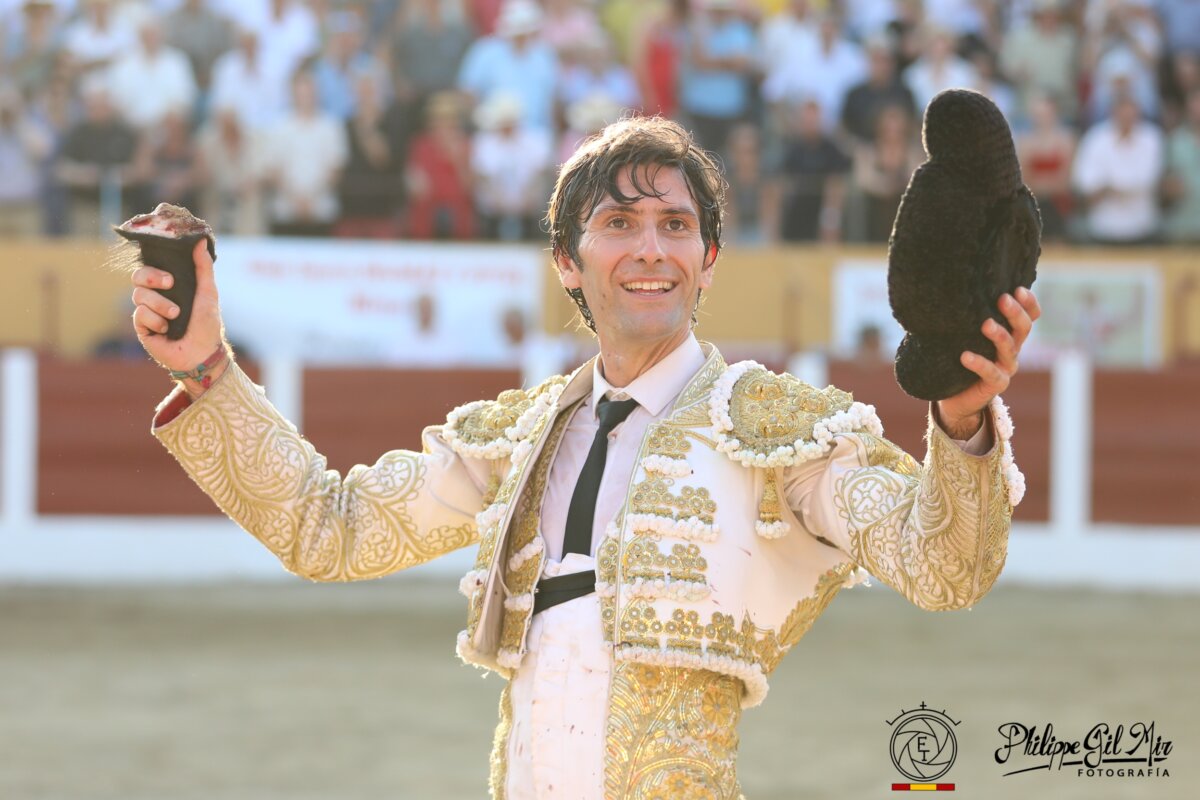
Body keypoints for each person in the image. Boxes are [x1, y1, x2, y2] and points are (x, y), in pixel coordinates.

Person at [128, 116, 1040, 798]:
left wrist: (962, 423)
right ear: (568, 259)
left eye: (678, 227)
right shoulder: (520, 438)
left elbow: (943, 566)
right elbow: (332, 531)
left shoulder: (771, 427)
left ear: (710, 258)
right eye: (621, 224)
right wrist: (208, 369)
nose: (653, 250)